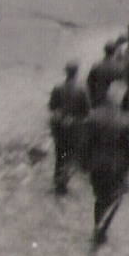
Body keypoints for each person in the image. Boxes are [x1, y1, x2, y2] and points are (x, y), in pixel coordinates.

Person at [81, 102, 129, 249]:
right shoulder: (126, 120)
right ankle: (102, 227)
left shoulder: (94, 115)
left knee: (99, 197)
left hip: (97, 164)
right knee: (117, 196)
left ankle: (97, 224)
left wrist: (85, 164)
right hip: (117, 167)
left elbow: (84, 143)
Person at [48, 61, 90, 195]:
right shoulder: (82, 89)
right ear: (76, 73)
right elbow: (86, 110)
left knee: (59, 152)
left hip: (59, 124)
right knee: (70, 153)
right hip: (74, 126)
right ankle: (64, 179)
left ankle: (58, 178)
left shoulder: (57, 88)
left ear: (66, 72)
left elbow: (51, 107)